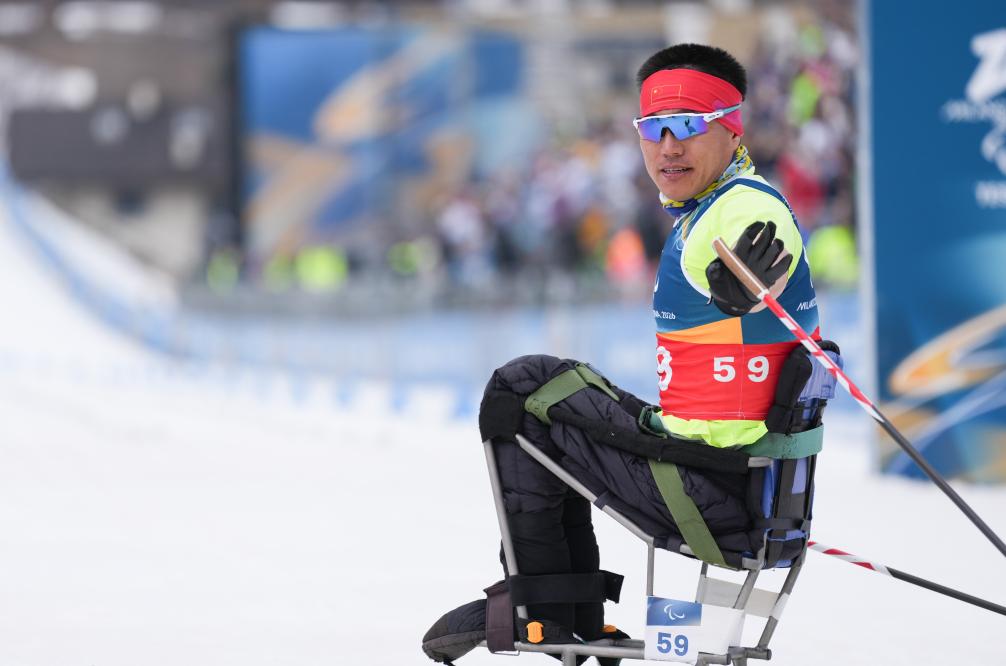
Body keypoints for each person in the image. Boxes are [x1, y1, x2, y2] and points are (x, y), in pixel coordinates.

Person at [423, 43, 829, 665]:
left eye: (687, 126)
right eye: (652, 128)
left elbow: (760, 242)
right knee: (541, 386)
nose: (668, 147)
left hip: (713, 493)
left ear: (731, 128)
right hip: (741, 483)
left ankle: (545, 614)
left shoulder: (742, 205)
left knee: (519, 393)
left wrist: (747, 282)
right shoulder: (707, 207)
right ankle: (558, 612)